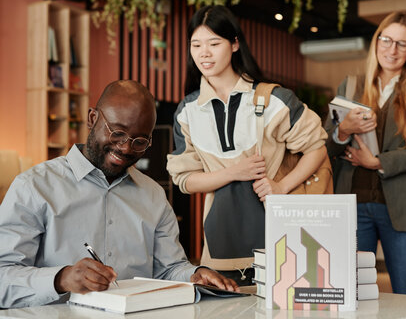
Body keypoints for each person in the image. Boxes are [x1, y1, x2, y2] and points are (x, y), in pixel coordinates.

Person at [0, 80, 237, 309]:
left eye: (139, 141)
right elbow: (3, 278)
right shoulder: (33, 187)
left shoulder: (154, 195)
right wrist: (61, 278)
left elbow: (168, 268)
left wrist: (194, 274)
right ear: (92, 119)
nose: (125, 148)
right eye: (117, 133)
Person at [166, 5, 328, 285]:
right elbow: (184, 180)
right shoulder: (187, 111)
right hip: (220, 242)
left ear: (235, 44)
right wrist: (233, 172)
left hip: (280, 233)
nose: (204, 53)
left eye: (214, 43)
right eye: (196, 44)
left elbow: (317, 148)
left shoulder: (273, 99)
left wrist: (281, 187)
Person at [325, 11, 406, 295]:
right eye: (387, 40)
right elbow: (325, 145)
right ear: (377, 41)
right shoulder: (351, 85)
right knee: (350, 295)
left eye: (402, 44)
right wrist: (343, 131)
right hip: (352, 207)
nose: (392, 49)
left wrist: (378, 162)